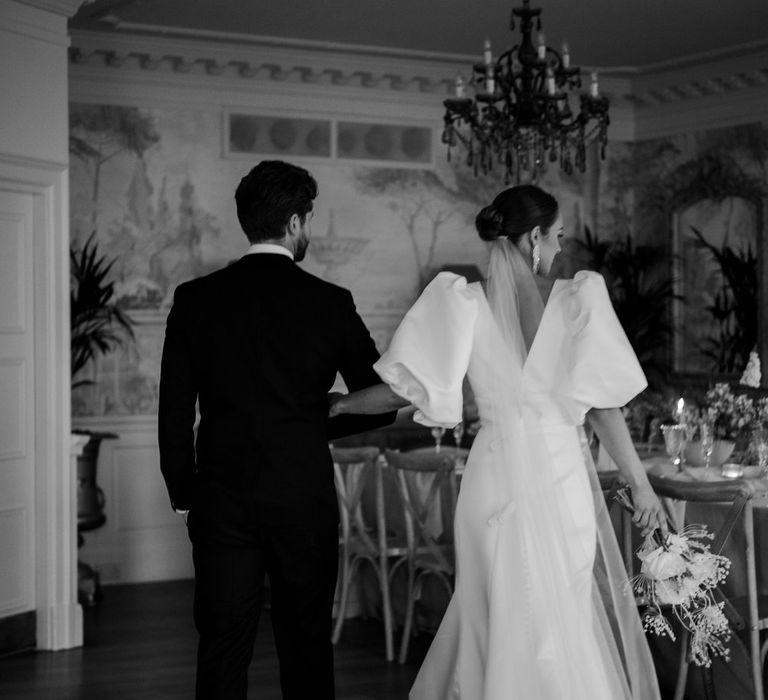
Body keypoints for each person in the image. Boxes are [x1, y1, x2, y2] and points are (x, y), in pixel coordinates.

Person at [329, 184, 667, 699]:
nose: (559, 249)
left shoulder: (462, 303)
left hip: (493, 473)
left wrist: (339, 404)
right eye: (556, 237)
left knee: (498, 612)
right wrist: (640, 486)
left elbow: (403, 388)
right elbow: (603, 405)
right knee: (552, 616)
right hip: (559, 477)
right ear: (534, 236)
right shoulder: (579, 300)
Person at [158, 160, 396, 700]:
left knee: (222, 646)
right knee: (307, 647)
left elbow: (174, 410)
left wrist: (184, 496)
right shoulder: (330, 302)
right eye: (307, 220)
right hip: (302, 500)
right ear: (293, 223)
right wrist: (323, 414)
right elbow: (379, 403)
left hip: (220, 500)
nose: (307, 231)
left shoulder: (195, 299)